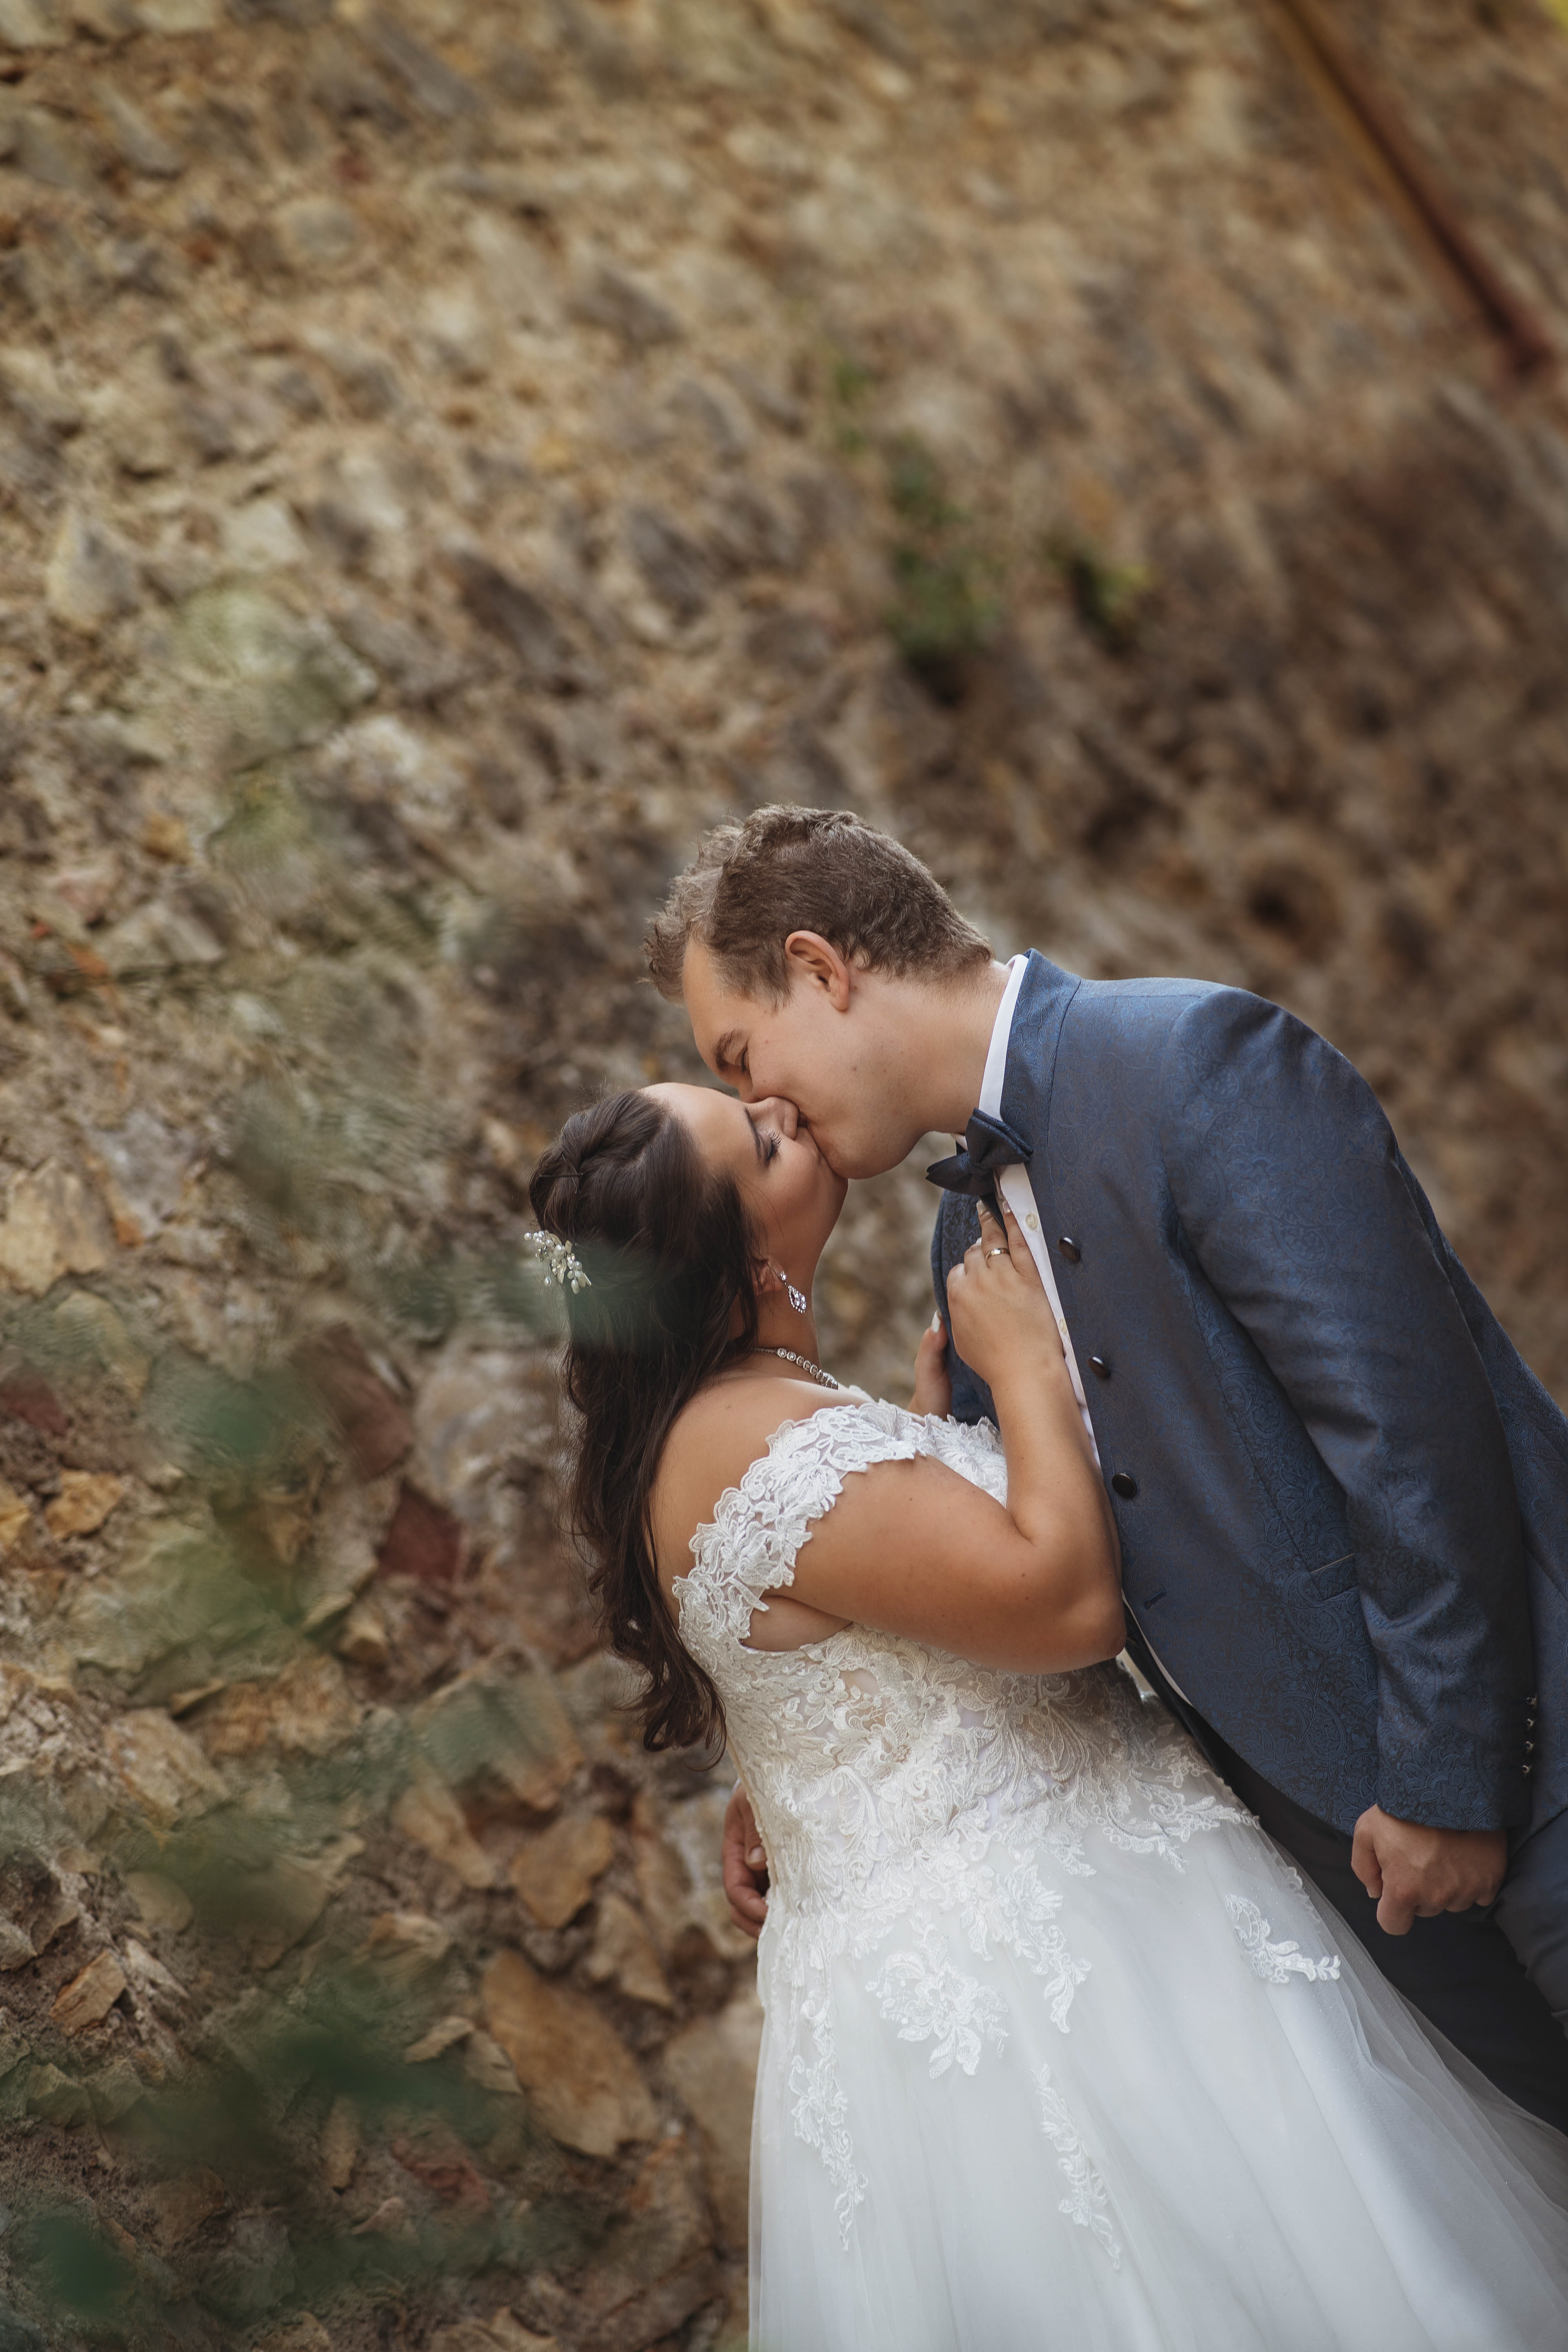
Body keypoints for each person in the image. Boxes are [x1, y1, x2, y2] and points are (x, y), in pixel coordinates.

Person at [527, 1080, 1567, 2350]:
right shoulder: (752, 1443)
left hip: (1060, 1899)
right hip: (1039, 1965)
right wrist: (1022, 1374)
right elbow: (1066, 1605)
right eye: (756, 1139)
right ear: (737, 1256)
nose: (780, 1108)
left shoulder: (737, 1411)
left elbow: (843, 1635)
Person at [642, 803, 1568, 2136]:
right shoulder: (965, 1223)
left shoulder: (1197, 1060)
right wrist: (792, 1786)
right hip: (1341, 1864)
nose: (760, 1104)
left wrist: (1449, 1785)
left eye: (744, 1053)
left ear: (824, 969)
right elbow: (991, 1567)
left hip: (1517, 1784)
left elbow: (1414, 1441)